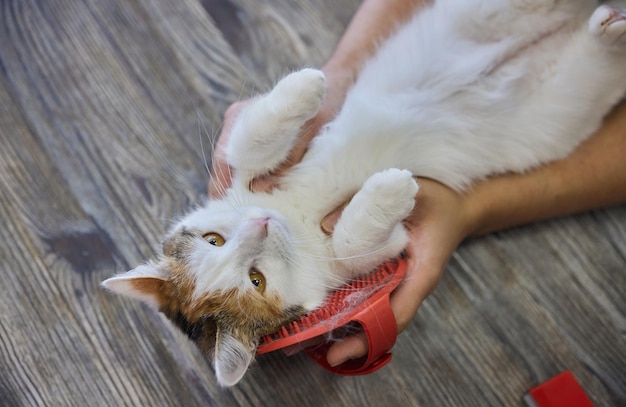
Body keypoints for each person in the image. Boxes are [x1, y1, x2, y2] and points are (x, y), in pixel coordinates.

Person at [208, 0, 626, 367]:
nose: (253, 231)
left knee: (478, 15)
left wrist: (278, 113)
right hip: (490, 127)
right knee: (549, 123)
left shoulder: (243, 189)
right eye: (257, 278)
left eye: (215, 242)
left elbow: (252, 144)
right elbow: (382, 243)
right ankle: (605, 53)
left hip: (434, 56)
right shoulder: (317, 273)